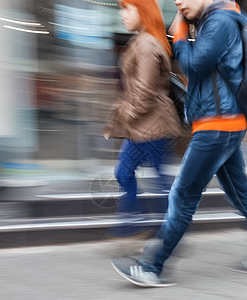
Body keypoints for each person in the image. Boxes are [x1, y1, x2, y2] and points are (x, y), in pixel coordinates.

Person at [111, 0, 247, 287]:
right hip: (224, 125)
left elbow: (195, 65)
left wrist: (182, 35)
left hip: (217, 126)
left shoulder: (220, 21)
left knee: (182, 196)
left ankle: (152, 267)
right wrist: (186, 32)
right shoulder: (216, 20)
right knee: (240, 193)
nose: (178, 2)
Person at [103, 0, 183, 239]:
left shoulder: (147, 44)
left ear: (143, 10)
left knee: (144, 177)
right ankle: (138, 223)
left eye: (127, 8)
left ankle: (151, 226)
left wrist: (120, 119)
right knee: (135, 174)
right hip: (147, 125)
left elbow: (144, 94)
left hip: (153, 125)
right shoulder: (143, 40)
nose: (122, 14)